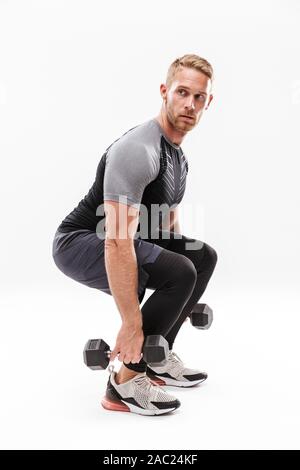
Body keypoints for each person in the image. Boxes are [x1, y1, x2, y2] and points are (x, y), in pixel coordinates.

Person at [52, 53, 218, 416]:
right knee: (180, 271)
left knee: (200, 258)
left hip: (120, 238)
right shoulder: (138, 150)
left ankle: (157, 359)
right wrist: (131, 324)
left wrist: (181, 296)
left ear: (209, 102)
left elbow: (163, 224)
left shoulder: (177, 155)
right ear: (164, 92)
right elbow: (115, 240)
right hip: (83, 241)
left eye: (199, 97)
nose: (189, 104)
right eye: (182, 93)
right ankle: (124, 381)